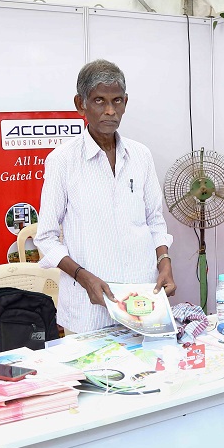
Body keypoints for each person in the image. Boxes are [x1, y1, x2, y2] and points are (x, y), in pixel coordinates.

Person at [35, 59, 175, 334]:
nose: (110, 110)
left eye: (117, 101)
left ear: (125, 102)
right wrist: (83, 277)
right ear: (81, 104)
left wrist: (164, 262)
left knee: (150, 362)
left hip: (142, 300)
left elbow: (154, 220)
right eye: (99, 100)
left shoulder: (141, 156)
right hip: (89, 307)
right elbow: (46, 238)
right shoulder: (62, 161)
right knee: (91, 364)